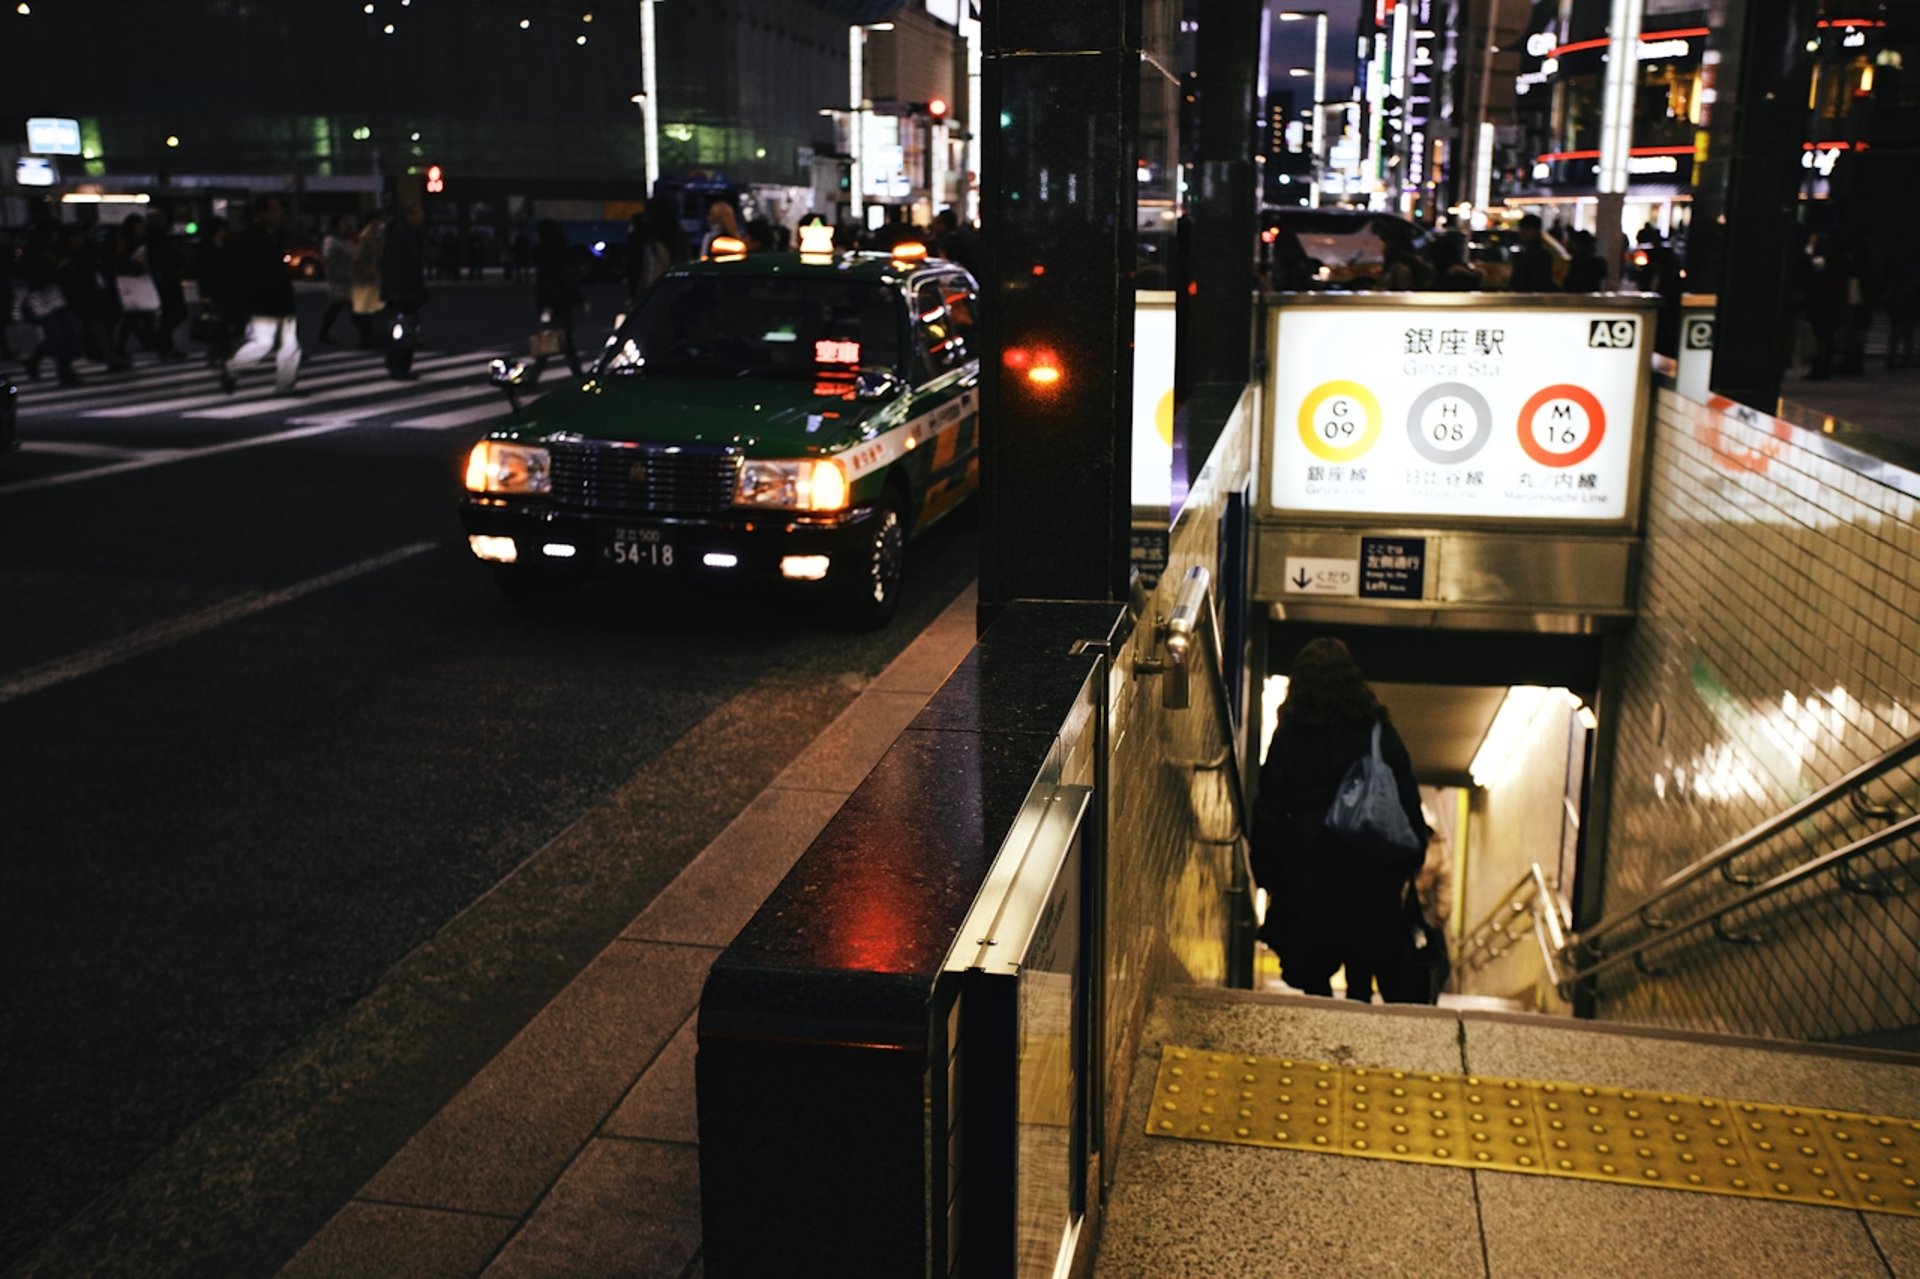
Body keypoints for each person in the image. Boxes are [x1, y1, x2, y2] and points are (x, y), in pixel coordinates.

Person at [1251, 638, 1430, 1002]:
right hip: (1369, 859)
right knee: (1362, 950)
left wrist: (1266, 869)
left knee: (1314, 954)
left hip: (1307, 858)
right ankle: (1358, 1005)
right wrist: (1412, 856)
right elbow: (1405, 795)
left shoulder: (1291, 732)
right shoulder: (1377, 730)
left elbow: (1269, 802)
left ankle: (1320, 1014)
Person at [219, 194, 302, 395]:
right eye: (274, 210)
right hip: (262, 298)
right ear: (261, 213)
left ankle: (285, 385)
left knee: (289, 344)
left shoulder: (276, 235)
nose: (279, 214)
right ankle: (232, 367)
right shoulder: (251, 237)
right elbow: (243, 272)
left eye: (279, 210)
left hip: (279, 297)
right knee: (263, 343)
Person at [531, 218, 584, 380]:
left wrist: (547, 307)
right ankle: (578, 374)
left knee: (549, 339)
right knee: (563, 341)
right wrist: (579, 300)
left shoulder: (546, 254)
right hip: (564, 304)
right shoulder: (560, 252)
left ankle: (533, 377)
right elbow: (569, 280)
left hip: (552, 305)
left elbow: (547, 283)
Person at [380, 201, 430, 378]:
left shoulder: (411, 234)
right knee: (402, 330)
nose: (420, 217)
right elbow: (392, 265)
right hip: (402, 292)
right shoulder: (400, 235)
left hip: (408, 290)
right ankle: (398, 366)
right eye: (416, 213)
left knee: (406, 329)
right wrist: (393, 291)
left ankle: (400, 364)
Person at [348, 210, 384, 348]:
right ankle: (366, 339)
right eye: (380, 220)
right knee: (366, 311)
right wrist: (369, 270)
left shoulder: (374, 235)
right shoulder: (367, 236)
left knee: (371, 311)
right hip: (365, 279)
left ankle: (370, 338)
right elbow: (358, 259)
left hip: (370, 278)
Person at [316, 215, 355, 343]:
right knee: (341, 307)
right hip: (338, 279)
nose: (345, 226)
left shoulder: (343, 239)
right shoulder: (331, 240)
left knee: (338, 307)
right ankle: (323, 333)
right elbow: (328, 259)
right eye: (342, 223)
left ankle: (323, 333)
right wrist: (336, 273)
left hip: (346, 278)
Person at [1508, 213, 1557, 292]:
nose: (1522, 233)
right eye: (1521, 229)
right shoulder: (1526, 252)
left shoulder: (1541, 255)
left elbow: (1538, 283)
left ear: (1536, 231)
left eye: (1527, 229)